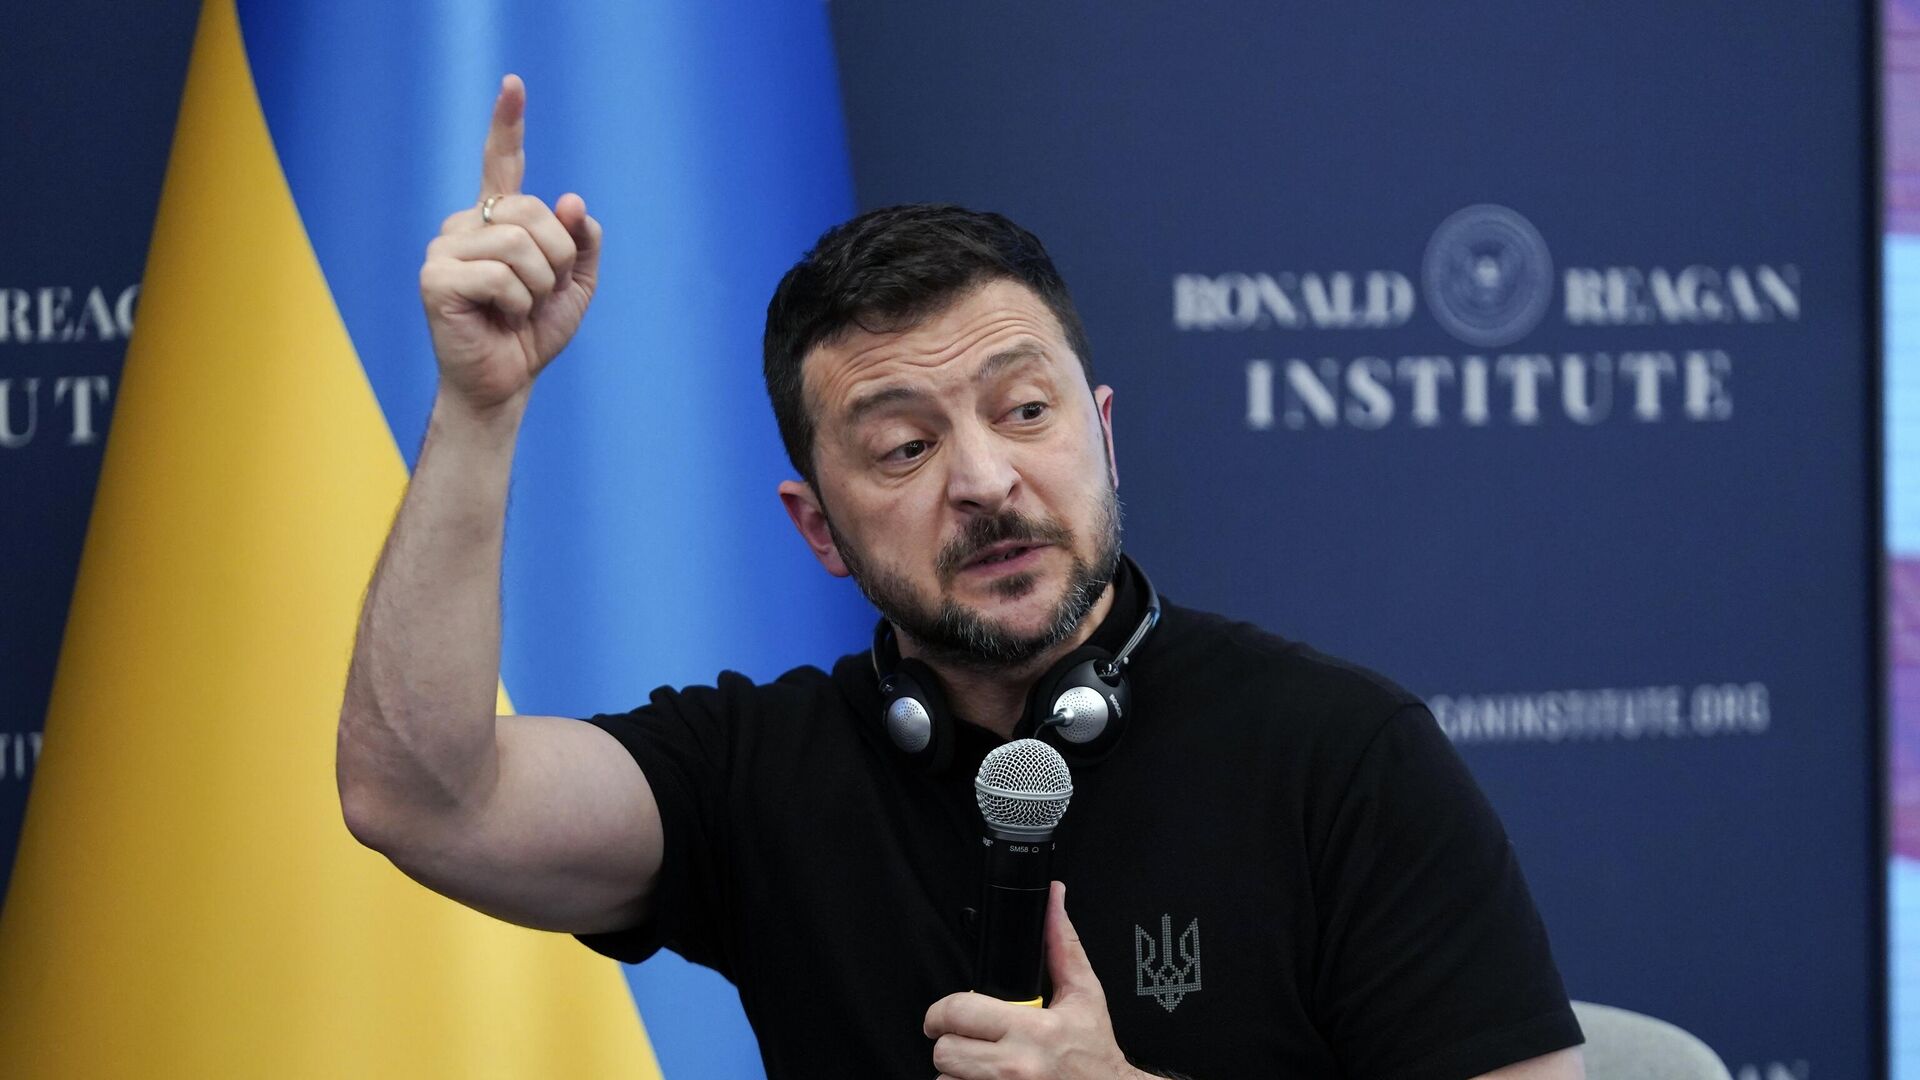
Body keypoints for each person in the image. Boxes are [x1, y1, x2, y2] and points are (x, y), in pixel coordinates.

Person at [337, 76, 1587, 1080]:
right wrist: (479, 407)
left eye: (1025, 410)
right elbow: (423, 800)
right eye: (904, 447)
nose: (986, 479)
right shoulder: (756, 775)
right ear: (819, 532)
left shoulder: (1343, 758)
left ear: (1103, 435)